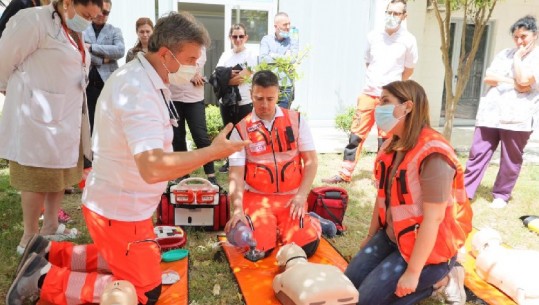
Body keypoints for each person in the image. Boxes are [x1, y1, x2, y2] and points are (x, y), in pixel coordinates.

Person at [6, 12, 249, 305]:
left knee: (126, 257)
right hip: (118, 213)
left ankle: (49, 252)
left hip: (126, 210)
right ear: (166, 55)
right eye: (192, 58)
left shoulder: (148, 78)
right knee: (144, 291)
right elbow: (153, 167)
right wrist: (214, 152)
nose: (198, 66)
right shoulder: (137, 90)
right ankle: (43, 279)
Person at [344, 80, 472, 305]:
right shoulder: (391, 145)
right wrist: (370, 237)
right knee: (348, 285)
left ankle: (440, 280)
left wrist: (413, 272)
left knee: (367, 301)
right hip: (394, 237)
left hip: (430, 251)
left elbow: (435, 219)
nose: (378, 108)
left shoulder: (434, 154)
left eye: (385, 101)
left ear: (408, 107)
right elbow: (381, 198)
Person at [0, 0, 103, 256]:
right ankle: (29, 237)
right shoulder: (32, 20)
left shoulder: (72, 30)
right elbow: (3, 60)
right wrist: (10, 89)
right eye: (86, 14)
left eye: (92, 17)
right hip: (37, 115)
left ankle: (51, 225)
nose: (88, 21)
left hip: (66, 116)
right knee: (35, 176)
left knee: (60, 173)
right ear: (67, 3)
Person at [224, 70, 321, 260]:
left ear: (278, 94)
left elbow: (311, 162)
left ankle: (316, 223)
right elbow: (235, 175)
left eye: (270, 98)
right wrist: (237, 211)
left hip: (291, 198)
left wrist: (301, 196)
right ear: (251, 94)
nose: (265, 105)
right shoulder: (240, 130)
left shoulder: (297, 120)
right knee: (256, 249)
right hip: (257, 198)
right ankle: (269, 229)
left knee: (306, 248)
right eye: (259, 98)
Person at [323, 0, 418, 184]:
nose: (392, 16)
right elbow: (368, 62)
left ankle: (381, 176)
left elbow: (409, 70)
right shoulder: (374, 36)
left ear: (404, 16)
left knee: (386, 140)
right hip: (368, 93)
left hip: (391, 99)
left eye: (397, 13)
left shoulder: (408, 40)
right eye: (389, 12)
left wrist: (393, 91)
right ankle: (344, 173)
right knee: (355, 135)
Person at [464, 15, 539, 209]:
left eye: (524, 36)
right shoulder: (504, 53)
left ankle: (501, 194)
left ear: (535, 35)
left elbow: (524, 82)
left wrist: (517, 59)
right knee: (478, 152)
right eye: (516, 37)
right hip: (491, 113)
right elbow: (488, 77)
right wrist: (511, 81)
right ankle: (466, 190)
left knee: (510, 158)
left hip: (518, 117)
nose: (519, 41)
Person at [170, 47, 218, 185]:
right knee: (178, 138)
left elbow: (198, 60)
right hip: (174, 96)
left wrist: (189, 70)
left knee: (201, 137)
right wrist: (190, 73)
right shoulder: (172, 41)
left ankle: (211, 176)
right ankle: (182, 175)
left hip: (194, 97)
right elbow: (173, 63)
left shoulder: (198, 42)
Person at [215, 23, 258, 173]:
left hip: (244, 100)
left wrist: (228, 78)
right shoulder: (225, 55)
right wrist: (228, 77)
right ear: (230, 37)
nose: (238, 39)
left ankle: (246, 161)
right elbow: (217, 75)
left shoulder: (251, 54)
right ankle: (229, 161)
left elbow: (244, 76)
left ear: (246, 37)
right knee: (228, 130)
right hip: (226, 101)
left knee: (243, 132)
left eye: (241, 36)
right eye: (235, 36)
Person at [83, 0, 124, 134]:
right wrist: (103, 59)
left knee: (108, 121)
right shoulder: (82, 30)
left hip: (107, 84)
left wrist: (92, 47)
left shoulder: (115, 31)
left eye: (106, 12)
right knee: (89, 122)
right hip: (87, 84)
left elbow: (119, 51)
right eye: (100, 10)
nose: (102, 14)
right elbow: (80, 52)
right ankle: (91, 154)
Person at [259, 12, 298, 109]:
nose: (288, 27)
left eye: (289, 23)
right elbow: (263, 59)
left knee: (282, 119)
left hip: (286, 87)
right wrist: (283, 57)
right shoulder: (266, 40)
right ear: (276, 26)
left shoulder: (292, 40)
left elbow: (292, 59)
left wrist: (272, 55)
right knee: (269, 117)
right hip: (269, 85)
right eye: (285, 24)